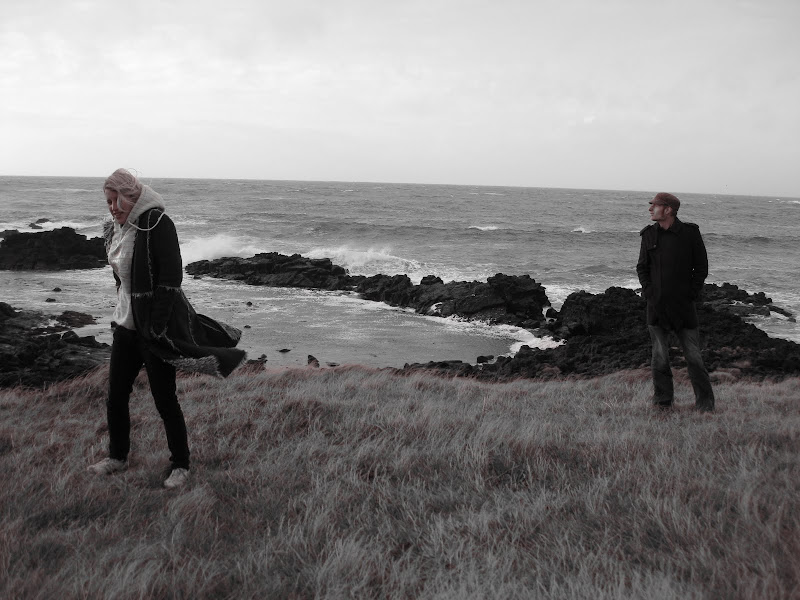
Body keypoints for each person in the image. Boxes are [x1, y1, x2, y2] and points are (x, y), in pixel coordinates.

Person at [88, 169, 246, 488]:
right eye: (108, 202)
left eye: (116, 200)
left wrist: (156, 326)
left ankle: (181, 464)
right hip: (125, 327)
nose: (112, 208)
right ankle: (117, 457)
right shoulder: (115, 229)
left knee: (164, 399)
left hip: (152, 329)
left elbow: (171, 278)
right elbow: (122, 280)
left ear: (130, 196)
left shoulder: (157, 223)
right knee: (116, 395)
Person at [636, 192, 715, 412]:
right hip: (656, 306)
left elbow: (701, 267)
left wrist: (691, 294)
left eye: (654, 205)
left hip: (684, 307)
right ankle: (663, 403)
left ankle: (705, 405)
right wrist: (650, 293)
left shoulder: (690, 233)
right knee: (659, 357)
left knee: (694, 357)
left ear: (668, 209)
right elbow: (642, 267)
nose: (650, 209)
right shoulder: (648, 234)